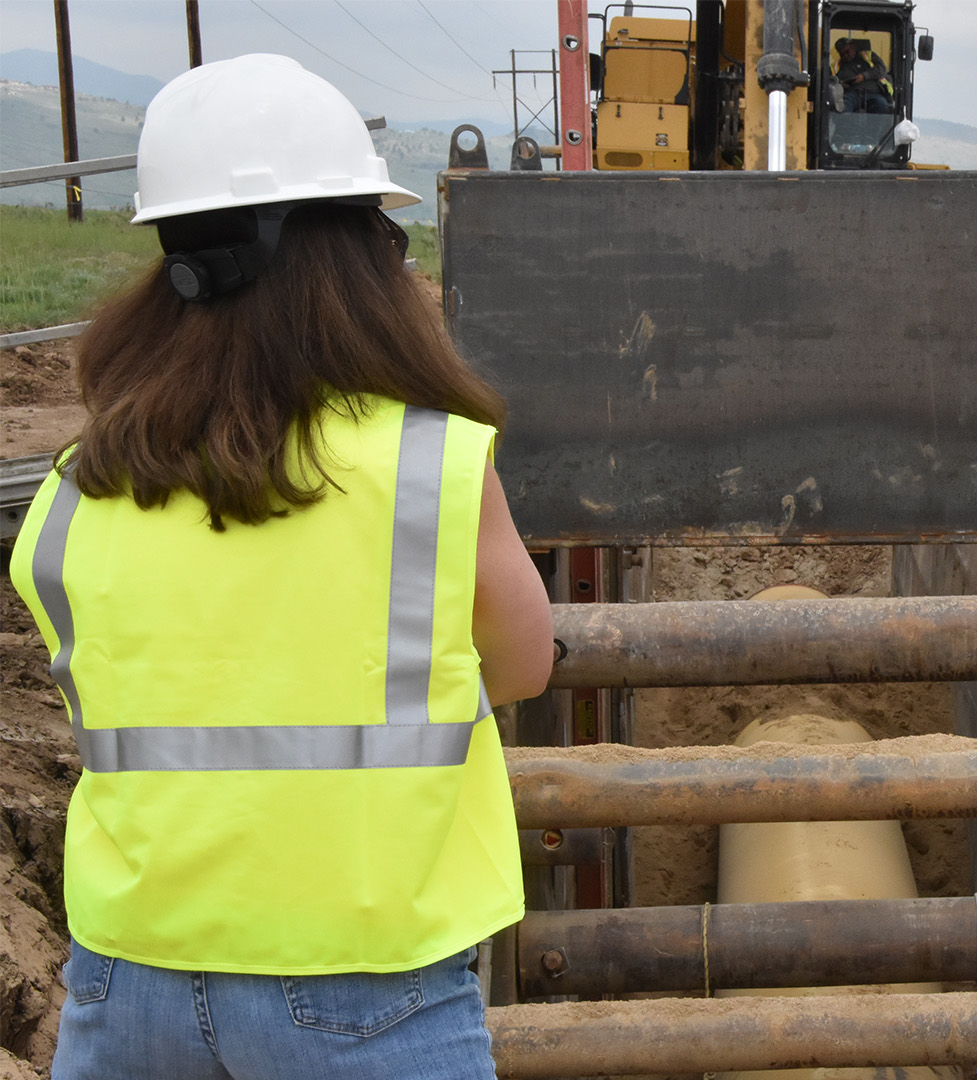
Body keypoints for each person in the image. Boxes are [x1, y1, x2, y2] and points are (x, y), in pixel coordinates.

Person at [12, 54, 554, 1080]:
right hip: (367, 987)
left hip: (128, 985)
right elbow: (523, 667)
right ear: (359, 259)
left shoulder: (78, 488)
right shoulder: (429, 468)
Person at [832, 36, 893, 113]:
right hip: (852, 94)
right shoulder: (836, 66)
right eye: (842, 54)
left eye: (847, 52)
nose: (845, 56)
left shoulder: (868, 56)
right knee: (843, 109)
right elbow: (832, 81)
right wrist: (841, 85)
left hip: (873, 92)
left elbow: (882, 69)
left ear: (853, 47)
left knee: (882, 106)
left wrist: (864, 76)